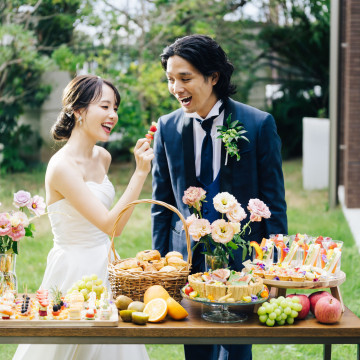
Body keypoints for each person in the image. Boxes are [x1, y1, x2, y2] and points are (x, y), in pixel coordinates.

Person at [151, 35, 287, 360]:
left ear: (213, 77)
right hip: (188, 257)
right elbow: (162, 205)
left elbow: (274, 204)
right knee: (196, 349)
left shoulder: (257, 125)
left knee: (238, 350)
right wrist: (159, 267)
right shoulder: (167, 128)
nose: (176, 87)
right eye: (171, 79)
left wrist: (275, 270)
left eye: (185, 78)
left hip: (244, 260)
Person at [13, 75, 153, 360]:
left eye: (115, 108)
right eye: (104, 106)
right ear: (78, 110)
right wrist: (140, 173)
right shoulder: (62, 167)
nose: (112, 115)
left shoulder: (103, 157)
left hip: (107, 265)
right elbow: (112, 225)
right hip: (74, 271)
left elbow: (114, 227)